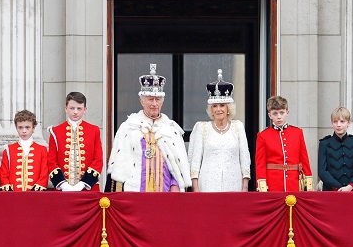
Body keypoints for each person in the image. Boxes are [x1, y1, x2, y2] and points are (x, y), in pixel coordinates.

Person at [108, 64, 191, 192]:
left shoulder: (172, 129)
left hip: (165, 192)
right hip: (135, 191)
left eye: (157, 99)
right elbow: (119, 164)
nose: (154, 103)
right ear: (142, 101)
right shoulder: (128, 127)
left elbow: (178, 163)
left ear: (162, 101)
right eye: (150, 99)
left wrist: (176, 185)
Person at [187, 71, 250, 192]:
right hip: (207, 185)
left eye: (222, 105)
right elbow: (195, 161)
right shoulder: (202, 128)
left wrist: (245, 186)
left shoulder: (238, 127)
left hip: (233, 184)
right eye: (215, 106)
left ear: (228, 109)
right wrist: (195, 188)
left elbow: (245, 157)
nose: (218, 109)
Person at [47, 92, 104, 192]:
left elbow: (98, 160)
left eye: (79, 108)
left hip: (88, 189)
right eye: (72, 108)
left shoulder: (94, 130)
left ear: (85, 110)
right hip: (62, 190)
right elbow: (51, 161)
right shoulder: (55, 131)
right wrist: (63, 184)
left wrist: (83, 184)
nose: (75, 112)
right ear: (66, 108)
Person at [255, 95, 312, 193]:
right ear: (270, 115)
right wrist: (262, 185)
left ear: (287, 113)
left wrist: (308, 182)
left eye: (282, 112)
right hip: (273, 185)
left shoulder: (297, 133)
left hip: (294, 184)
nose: (279, 117)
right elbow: (260, 164)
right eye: (275, 113)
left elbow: (304, 159)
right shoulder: (263, 136)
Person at [0, 110, 54, 191]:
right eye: (20, 127)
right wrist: (7, 188)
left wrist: (38, 187)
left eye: (27, 127)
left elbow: (44, 174)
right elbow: (3, 173)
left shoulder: (42, 150)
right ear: (16, 128)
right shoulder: (8, 150)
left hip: (35, 195)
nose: (24, 131)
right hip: (14, 195)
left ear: (33, 128)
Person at [318, 107, 353, 192]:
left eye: (342, 121)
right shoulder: (324, 144)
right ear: (332, 124)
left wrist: (350, 186)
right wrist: (338, 188)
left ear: (348, 123)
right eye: (335, 122)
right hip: (331, 191)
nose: (338, 125)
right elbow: (322, 171)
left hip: (352, 191)